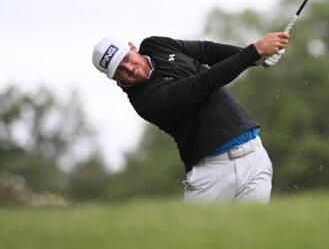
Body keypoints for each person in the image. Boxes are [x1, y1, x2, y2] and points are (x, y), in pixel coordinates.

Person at [91, 32, 289, 203]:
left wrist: (258, 59)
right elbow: (203, 83)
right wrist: (253, 52)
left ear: (132, 47)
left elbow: (206, 51)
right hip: (212, 173)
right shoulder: (145, 101)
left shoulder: (155, 45)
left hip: (255, 156)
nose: (129, 69)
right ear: (115, 79)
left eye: (126, 59)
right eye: (120, 71)